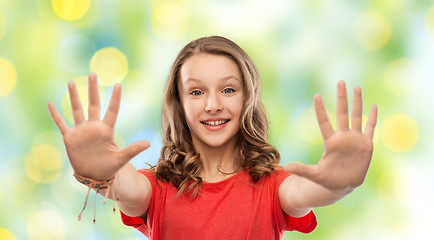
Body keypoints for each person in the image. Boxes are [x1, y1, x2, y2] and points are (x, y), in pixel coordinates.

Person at [47, 36, 378, 240]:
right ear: (179, 103)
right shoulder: (157, 189)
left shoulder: (274, 187)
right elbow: (126, 187)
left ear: (248, 97)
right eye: (196, 91)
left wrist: (341, 183)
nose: (213, 104)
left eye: (228, 89)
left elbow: (311, 190)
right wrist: (97, 170)